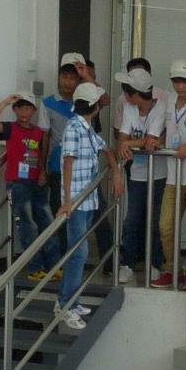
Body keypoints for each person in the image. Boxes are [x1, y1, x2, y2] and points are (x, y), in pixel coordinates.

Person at [53, 82, 121, 330]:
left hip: (88, 200)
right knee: (78, 253)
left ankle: (68, 301)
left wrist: (116, 172)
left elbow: (106, 149)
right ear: (95, 106)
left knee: (78, 253)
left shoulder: (87, 128)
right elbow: (68, 163)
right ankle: (67, 306)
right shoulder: (74, 128)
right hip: (77, 203)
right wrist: (67, 201)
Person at [0, 93, 52, 277]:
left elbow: (40, 154)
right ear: (15, 110)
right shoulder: (10, 128)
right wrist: (5, 102)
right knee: (27, 226)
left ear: (34, 111)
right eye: (21, 108)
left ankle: (54, 266)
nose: (24, 112)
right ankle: (35, 268)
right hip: (17, 182)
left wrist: (42, 172)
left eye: (28, 108)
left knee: (47, 222)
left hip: (37, 182)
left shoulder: (38, 132)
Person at [113, 61, 167, 284]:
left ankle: (156, 263)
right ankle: (127, 263)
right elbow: (122, 140)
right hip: (136, 173)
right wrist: (132, 143)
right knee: (132, 220)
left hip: (158, 174)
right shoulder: (129, 108)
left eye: (127, 91)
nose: (124, 95)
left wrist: (131, 143)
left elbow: (151, 141)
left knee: (155, 221)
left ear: (135, 93)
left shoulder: (160, 107)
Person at [37, 55, 86, 273]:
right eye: (64, 76)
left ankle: (96, 260)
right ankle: (63, 261)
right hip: (58, 167)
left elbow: (104, 99)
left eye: (72, 78)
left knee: (89, 214)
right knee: (61, 213)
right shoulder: (47, 103)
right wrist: (42, 168)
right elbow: (44, 138)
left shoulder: (85, 102)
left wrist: (87, 76)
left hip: (84, 170)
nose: (67, 82)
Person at [156, 62, 186, 289]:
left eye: (185, 81)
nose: (180, 86)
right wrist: (155, 138)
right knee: (166, 226)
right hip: (173, 176)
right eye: (176, 81)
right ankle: (172, 270)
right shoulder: (168, 100)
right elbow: (158, 126)